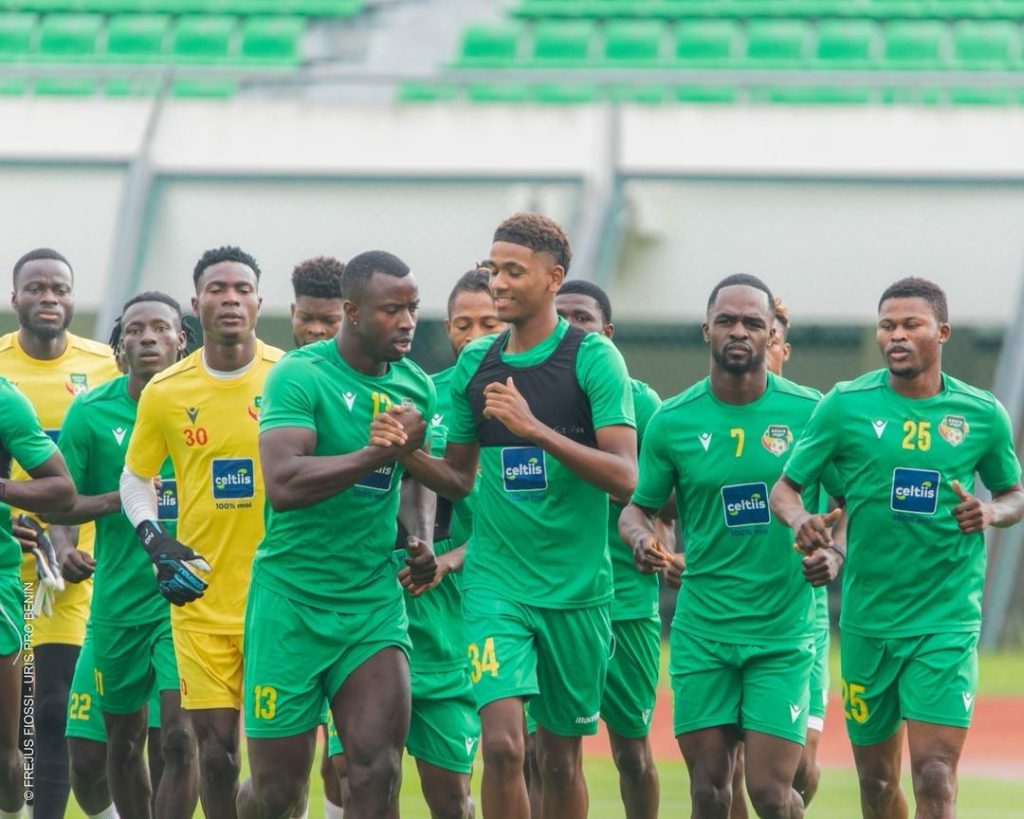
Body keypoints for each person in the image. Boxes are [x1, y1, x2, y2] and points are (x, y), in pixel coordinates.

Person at [383, 213, 638, 819]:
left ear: (554, 278)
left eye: (512, 271)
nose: (496, 282)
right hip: (496, 586)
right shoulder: (477, 366)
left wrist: (534, 430)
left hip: (578, 592)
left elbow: (625, 478)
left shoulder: (593, 359)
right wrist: (403, 451)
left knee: (558, 758)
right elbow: (460, 478)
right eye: (493, 268)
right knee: (500, 745)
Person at [770, 277, 1024, 819]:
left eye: (912, 324)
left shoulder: (981, 414)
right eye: (887, 326)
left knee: (934, 777)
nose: (897, 336)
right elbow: (786, 488)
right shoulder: (845, 405)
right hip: (868, 623)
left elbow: (1013, 493)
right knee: (878, 784)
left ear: (943, 332)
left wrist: (991, 512)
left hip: (945, 619)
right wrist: (801, 522)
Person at [619, 273, 843, 819]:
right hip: (703, 633)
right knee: (709, 794)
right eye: (727, 321)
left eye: (752, 322)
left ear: (772, 336)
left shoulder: (811, 411)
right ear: (706, 330)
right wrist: (644, 538)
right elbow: (637, 506)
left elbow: (848, 497)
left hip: (781, 632)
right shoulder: (672, 421)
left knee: (771, 793)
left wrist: (833, 550)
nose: (738, 330)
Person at [236, 250, 437, 819]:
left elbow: (418, 475)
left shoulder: (417, 387)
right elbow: (285, 483)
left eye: (413, 309)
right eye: (391, 309)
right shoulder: (300, 376)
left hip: (371, 601)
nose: (406, 322)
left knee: (377, 773)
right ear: (351, 311)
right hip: (290, 602)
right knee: (278, 794)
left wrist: (419, 537)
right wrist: (378, 451)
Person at [325, 265, 502, 819]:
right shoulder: (419, 391)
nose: (475, 336)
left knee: (453, 795)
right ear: (447, 329)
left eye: (490, 323)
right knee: (357, 778)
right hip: (375, 603)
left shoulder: (520, 410)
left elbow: (511, 529)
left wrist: (447, 559)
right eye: (463, 324)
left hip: (454, 621)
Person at [119, 246, 284, 819]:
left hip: (281, 599)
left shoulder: (288, 377)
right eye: (217, 288)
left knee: (276, 775)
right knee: (214, 756)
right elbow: (135, 478)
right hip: (200, 598)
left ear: (260, 302)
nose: (231, 298)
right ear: (196, 305)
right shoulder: (166, 390)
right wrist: (153, 538)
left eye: (242, 288)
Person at [50, 292, 200, 819]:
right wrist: (66, 548)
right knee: (110, 748)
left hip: (187, 605)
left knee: (179, 738)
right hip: (115, 604)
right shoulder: (91, 414)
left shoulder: (204, 401)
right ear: (120, 345)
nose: (148, 337)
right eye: (135, 329)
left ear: (182, 339)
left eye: (161, 327)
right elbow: (60, 501)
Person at [0, 248, 120, 819]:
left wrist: (75, 535)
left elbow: (114, 459)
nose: (49, 298)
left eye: (60, 289)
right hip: (9, 560)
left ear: (73, 298)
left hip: (72, 564)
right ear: (15, 297)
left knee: (52, 706)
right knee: (14, 712)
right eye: (36, 288)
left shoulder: (104, 366)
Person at [555, 279, 671, 819]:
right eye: (562, 318)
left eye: (582, 318)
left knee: (632, 749)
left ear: (607, 332)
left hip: (625, 600)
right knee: (548, 754)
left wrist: (659, 543)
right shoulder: (524, 394)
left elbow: (665, 503)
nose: (570, 328)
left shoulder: (643, 402)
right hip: (551, 596)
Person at [0, 379, 77, 818]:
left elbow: (62, 491)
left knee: (5, 757)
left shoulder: (5, 399)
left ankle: (14, 812)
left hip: (1, 583)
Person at [287, 255, 347, 819]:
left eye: (330, 321)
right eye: (308, 319)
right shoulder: (279, 380)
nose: (318, 332)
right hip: (275, 593)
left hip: (351, 592)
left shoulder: (374, 382)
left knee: (355, 758)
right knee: (272, 767)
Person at [289, 256, 345, 348]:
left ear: (350, 316)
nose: (316, 330)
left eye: (329, 321)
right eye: (305, 319)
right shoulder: (277, 362)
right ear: (293, 312)